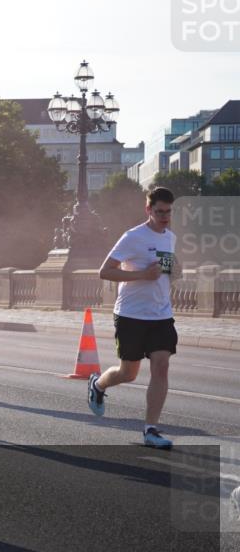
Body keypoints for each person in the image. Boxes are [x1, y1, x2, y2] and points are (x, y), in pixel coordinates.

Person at [89, 187, 180, 449]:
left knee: (161, 366)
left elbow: (169, 269)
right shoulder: (132, 237)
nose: (164, 217)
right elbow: (104, 272)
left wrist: (176, 270)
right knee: (128, 373)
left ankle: (150, 429)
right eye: (159, 212)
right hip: (131, 314)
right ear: (148, 210)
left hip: (161, 314)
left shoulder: (170, 238)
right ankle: (98, 384)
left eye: (168, 212)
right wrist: (141, 275)